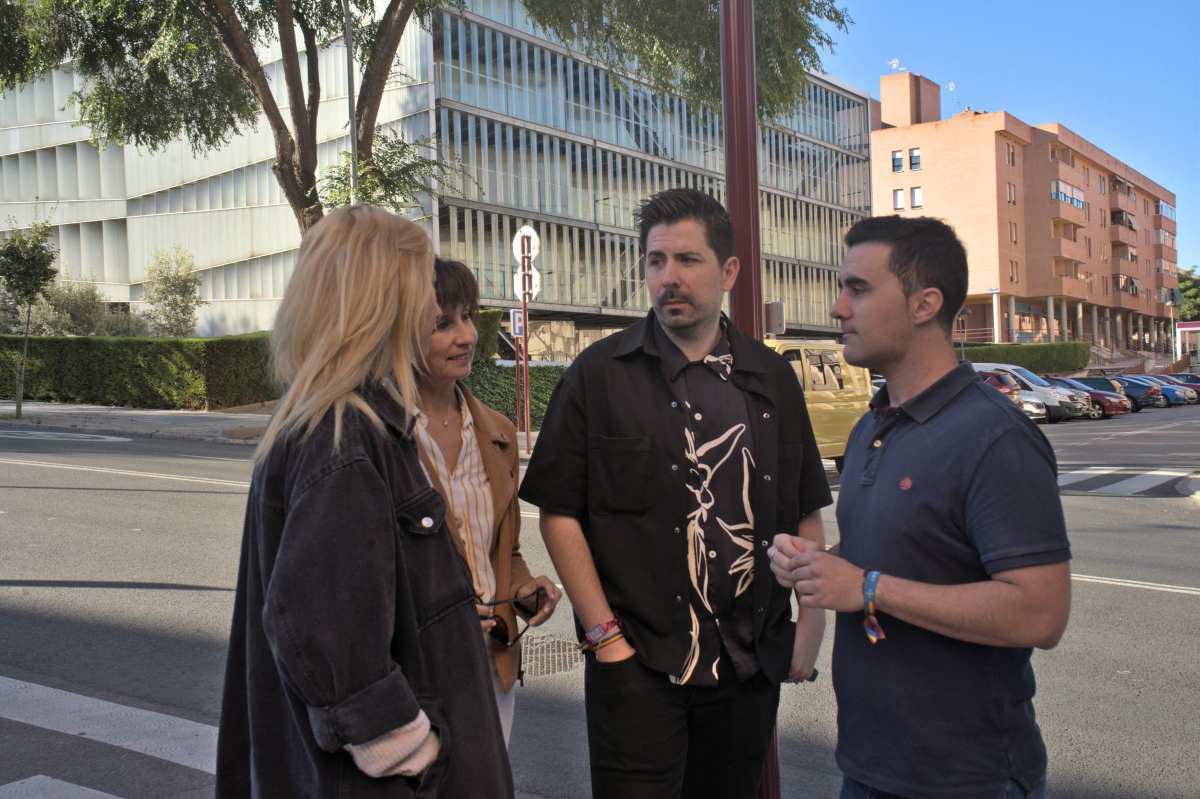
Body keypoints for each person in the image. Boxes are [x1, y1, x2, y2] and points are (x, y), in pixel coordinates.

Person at [519, 188, 831, 799]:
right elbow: (559, 512)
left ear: (729, 271)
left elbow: (803, 510)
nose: (669, 278)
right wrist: (603, 637)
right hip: (637, 667)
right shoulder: (599, 375)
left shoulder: (770, 379)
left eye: (687, 260)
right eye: (656, 261)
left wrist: (811, 626)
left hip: (747, 670)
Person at [769, 216, 1071, 799]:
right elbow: (886, 561)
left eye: (857, 289)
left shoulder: (994, 436)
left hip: (968, 779)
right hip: (868, 766)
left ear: (924, 304)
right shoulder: (870, 428)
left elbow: (1040, 615)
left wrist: (869, 587)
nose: (837, 308)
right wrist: (819, 566)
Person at [215, 207, 513, 798]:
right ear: (385, 299)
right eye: (423, 287)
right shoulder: (345, 435)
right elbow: (320, 633)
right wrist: (413, 752)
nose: (433, 308)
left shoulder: (335, 422)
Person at [413, 256, 561, 745]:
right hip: (414, 674)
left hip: (491, 664)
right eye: (442, 323)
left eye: (469, 316)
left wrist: (523, 589)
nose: (468, 335)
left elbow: (504, 550)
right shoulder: (379, 437)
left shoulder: (495, 431)